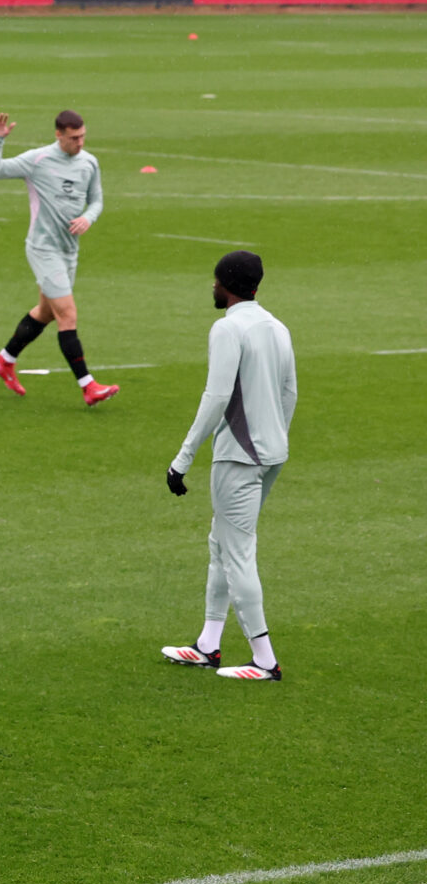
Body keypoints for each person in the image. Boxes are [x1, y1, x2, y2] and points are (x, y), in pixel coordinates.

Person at [162, 250, 296, 682]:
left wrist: (183, 458)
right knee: (222, 543)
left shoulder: (227, 328)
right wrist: (274, 438)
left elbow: (217, 397)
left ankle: (265, 660)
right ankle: (208, 644)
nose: (213, 286)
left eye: (216, 280)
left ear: (227, 285)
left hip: (239, 456)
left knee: (236, 553)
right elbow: (289, 392)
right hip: (271, 453)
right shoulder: (277, 327)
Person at [0, 109, 117, 405]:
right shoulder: (38, 160)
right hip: (43, 249)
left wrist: (88, 218)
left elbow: (96, 200)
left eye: (83, 136)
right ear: (58, 135)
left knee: (46, 312)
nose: (80, 143)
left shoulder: (89, 162)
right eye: (74, 138)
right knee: (67, 314)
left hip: (69, 251)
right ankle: (88, 386)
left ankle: (4, 360)